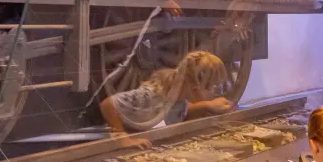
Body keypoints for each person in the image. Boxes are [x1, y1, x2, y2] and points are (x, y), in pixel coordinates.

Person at [99, 50, 232, 133]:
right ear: (194, 86)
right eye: (211, 88)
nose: (213, 93)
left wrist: (208, 105)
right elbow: (108, 104)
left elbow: (179, 108)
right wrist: (122, 138)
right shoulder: (150, 95)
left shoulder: (178, 97)